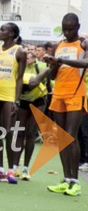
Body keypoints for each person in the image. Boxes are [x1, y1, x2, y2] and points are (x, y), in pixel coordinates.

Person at [44, 13, 88, 197]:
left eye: (71, 29)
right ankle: (66, 179)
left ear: (78, 27)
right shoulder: (58, 46)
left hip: (76, 93)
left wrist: (60, 60)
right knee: (62, 137)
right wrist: (52, 63)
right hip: (58, 93)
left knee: (71, 135)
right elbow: (53, 75)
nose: (67, 32)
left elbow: (85, 63)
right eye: (64, 28)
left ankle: (76, 182)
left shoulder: (83, 44)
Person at [0, 22, 26, 184]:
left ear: (11, 34)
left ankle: (11, 169)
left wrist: (17, 100)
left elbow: (20, 78)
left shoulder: (20, 51)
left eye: (3, 30)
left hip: (9, 94)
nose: (0, 32)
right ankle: (0, 169)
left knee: (8, 131)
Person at [16, 47, 49, 180]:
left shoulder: (40, 66)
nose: (26, 59)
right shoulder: (18, 66)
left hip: (38, 101)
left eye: (29, 58)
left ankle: (26, 168)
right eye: (25, 58)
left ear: (34, 58)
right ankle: (15, 166)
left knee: (31, 134)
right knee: (19, 133)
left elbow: (45, 80)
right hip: (23, 101)